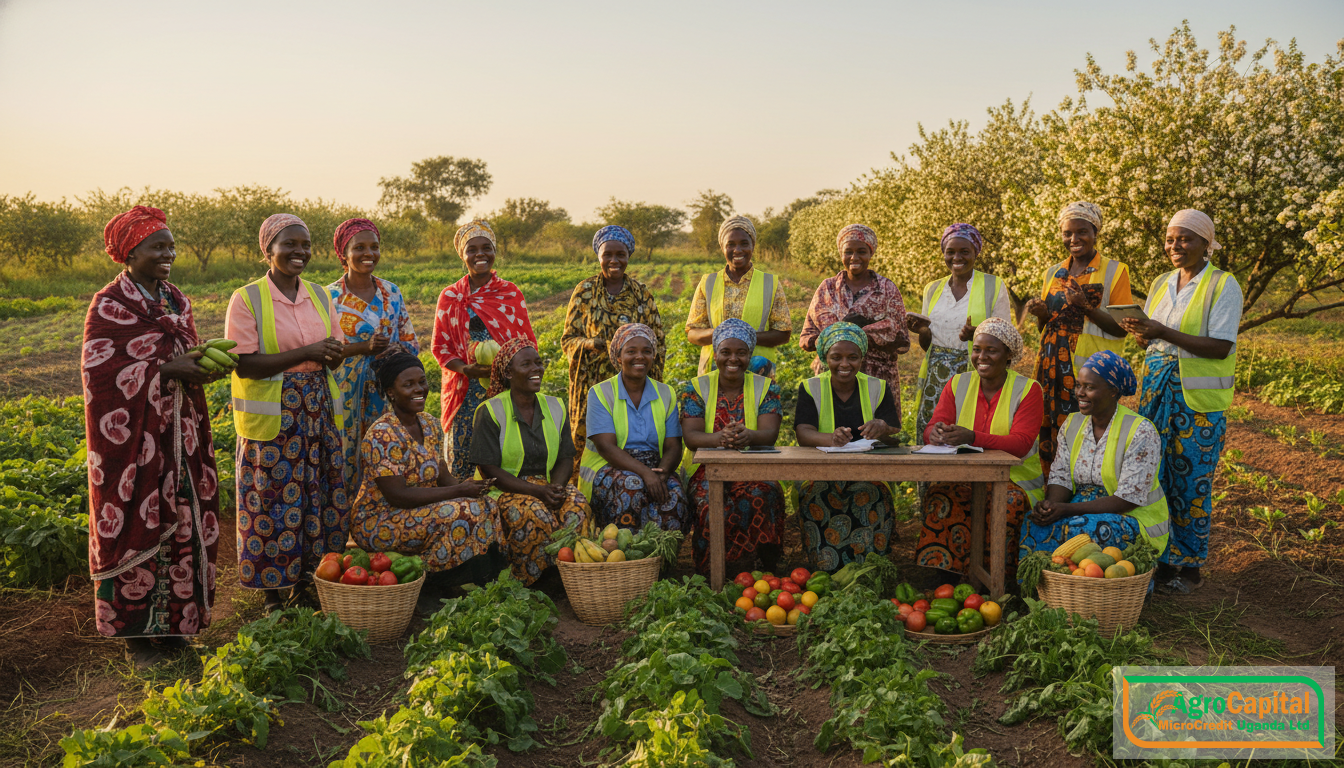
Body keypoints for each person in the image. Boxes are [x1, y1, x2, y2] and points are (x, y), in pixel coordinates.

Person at [84, 206, 223, 667]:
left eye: (171, 246)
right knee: (134, 520)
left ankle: (176, 626)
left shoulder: (176, 301)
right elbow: (101, 376)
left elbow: (184, 355)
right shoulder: (109, 306)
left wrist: (201, 366)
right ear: (130, 252)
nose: (169, 254)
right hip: (132, 443)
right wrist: (164, 370)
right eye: (157, 247)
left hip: (180, 436)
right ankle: (136, 636)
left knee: (183, 513)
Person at [227, 213, 348, 613]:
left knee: (317, 495)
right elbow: (245, 364)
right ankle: (273, 595)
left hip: (316, 410)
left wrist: (332, 354)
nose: (300, 252)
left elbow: (336, 345)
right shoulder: (247, 298)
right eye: (289, 244)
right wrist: (309, 353)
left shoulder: (319, 294)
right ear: (269, 249)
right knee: (272, 500)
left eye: (305, 245)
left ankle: (309, 581)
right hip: (274, 417)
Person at [1120, 209, 1241, 595]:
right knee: (1153, 474)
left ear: (1207, 244)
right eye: (1171, 239)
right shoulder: (1161, 282)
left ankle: (1188, 567)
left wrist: (1161, 330)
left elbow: (1221, 347)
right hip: (1156, 390)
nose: (1176, 246)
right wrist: (1143, 334)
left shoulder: (1224, 285)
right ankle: (1158, 555)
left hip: (1196, 401)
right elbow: (1154, 338)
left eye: (1186, 239)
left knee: (1191, 480)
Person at [349, 352, 502, 612]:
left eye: (421, 381)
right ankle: (425, 584)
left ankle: (463, 577)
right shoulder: (383, 434)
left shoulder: (429, 424)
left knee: (486, 505)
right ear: (391, 392)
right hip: (379, 519)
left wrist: (471, 489)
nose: (419, 389)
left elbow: (443, 477)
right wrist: (458, 492)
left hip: (417, 511)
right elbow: (398, 496)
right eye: (408, 385)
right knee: (461, 512)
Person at [914, 318, 1044, 580]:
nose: (981, 356)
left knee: (1008, 503)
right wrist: (936, 433)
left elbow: (1020, 444)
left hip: (1014, 480)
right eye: (977, 349)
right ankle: (944, 576)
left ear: (1009, 355)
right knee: (942, 494)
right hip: (966, 475)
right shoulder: (957, 383)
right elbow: (930, 428)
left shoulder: (1029, 390)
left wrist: (973, 437)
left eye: (991, 350)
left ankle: (996, 579)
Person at [1019, 352, 1169, 561]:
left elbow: (1127, 499)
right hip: (1077, 506)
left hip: (1131, 515)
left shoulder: (1140, 431)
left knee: (1090, 529)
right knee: (1035, 523)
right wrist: (1051, 507)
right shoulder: (1072, 424)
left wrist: (1066, 510)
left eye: (1089, 387)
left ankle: (1088, 592)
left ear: (1113, 392)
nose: (1080, 393)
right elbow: (1060, 477)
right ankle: (1043, 590)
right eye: (1078, 385)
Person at [1022, 202, 1133, 470]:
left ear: (1095, 233)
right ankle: (1053, 495)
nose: (1074, 239)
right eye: (1067, 233)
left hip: (1090, 374)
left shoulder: (1115, 271)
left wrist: (1086, 307)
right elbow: (1047, 328)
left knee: (1088, 437)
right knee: (1053, 436)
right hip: (1052, 371)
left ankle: (1085, 498)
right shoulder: (1053, 272)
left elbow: (1122, 327)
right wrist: (1041, 314)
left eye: (1082, 232)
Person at [469, 338, 588, 585]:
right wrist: (538, 491)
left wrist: (556, 487)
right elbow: (489, 470)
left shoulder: (555, 406)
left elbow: (566, 456)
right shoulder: (490, 411)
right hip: (501, 488)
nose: (537, 369)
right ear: (509, 373)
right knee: (533, 513)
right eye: (527, 364)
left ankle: (570, 574)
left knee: (577, 506)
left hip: (546, 484)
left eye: (539, 363)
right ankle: (533, 580)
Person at [680, 319, 786, 574]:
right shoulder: (696, 388)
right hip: (706, 469)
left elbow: (769, 433)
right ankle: (715, 571)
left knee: (764, 494)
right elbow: (691, 437)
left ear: (750, 355)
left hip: (752, 467)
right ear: (715, 354)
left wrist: (749, 436)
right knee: (711, 505)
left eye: (741, 353)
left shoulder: (767, 388)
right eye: (726, 352)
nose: (733, 359)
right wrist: (720, 439)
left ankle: (761, 568)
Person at [433, 220, 536, 481]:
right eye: (472, 249)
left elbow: (527, 344)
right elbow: (440, 347)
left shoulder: (509, 293)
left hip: (504, 386)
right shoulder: (450, 296)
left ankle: (504, 504)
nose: (480, 254)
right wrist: (465, 368)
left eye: (486, 247)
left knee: (504, 452)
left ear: (494, 251)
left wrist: (506, 369)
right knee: (464, 451)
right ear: (463, 255)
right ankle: (463, 508)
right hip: (465, 388)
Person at [794, 322, 902, 571]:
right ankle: (826, 569)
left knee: (874, 496)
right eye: (836, 357)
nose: (845, 364)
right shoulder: (810, 387)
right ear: (824, 358)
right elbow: (803, 432)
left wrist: (882, 427)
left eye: (852, 357)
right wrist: (830, 439)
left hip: (868, 473)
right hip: (821, 472)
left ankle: (869, 568)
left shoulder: (878, 387)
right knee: (817, 495)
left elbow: (893, 431)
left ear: (862, 358)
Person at [561, 225, 665, 467]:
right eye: (608, 254)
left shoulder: (641, 295)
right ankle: (585, 494)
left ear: (628, 256)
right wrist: (591, 344)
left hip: (632, 387)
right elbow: (568, 340)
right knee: (590, 447)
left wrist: (652, 382)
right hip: (592, 387)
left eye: (620, 255)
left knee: (631, 441)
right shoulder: (584, 292)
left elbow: (657, 341)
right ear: (599, 256)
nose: (614, 261)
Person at [327, 218, 419, 488]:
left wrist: (393, 351)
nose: (368, 254)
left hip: (386, 392)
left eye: (374, 247)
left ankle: (383, 519)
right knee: (345, 454)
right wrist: (362, 348)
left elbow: (409, 341)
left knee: (387, 453)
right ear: (343, 253)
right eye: (359, 247)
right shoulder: (329, 297)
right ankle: (346, 519)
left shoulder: (391, 292)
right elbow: (323, 349)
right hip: (344, 393)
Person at [578, 323, 688, 532]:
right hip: (610, 464)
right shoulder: (600, 393)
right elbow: (606, 448)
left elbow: (674, 445)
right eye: (631, 351)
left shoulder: (666, 393)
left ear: (653, 356)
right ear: (619, 357)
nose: (640, 357)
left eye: (646, 351)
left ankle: (660, 560)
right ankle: (626, 556)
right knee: (631, 487)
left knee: (674, 496)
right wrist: (647, 474)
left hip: (656, 466)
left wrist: (662, 474)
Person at [909, 223, 1012, 441]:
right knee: (934, 430)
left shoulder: (993, 285)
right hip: (936, 373)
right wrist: (923, 331)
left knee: (965, 428)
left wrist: (976, 335)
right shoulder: (933, 288)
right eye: (950, 252)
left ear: (976, 252)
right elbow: (929, 345)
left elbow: (1005, 336)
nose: (957, 257)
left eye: (964, 251)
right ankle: (930, 476)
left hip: (975, 371)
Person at [800, 224, 910, 426]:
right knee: (831, 433)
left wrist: (857, 333)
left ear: (871, 253)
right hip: (833, 375)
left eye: (862, 251)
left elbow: (902, 340)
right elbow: (806, 338)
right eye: (848, 251)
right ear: (841, 253)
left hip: (877, 376)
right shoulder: (827, 288)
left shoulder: (886, 289)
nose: (854, 257)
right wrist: (836, 336)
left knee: (877, 436)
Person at [686, 216, 792, 375]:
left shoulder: (770, 283)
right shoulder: (708, 283)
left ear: (753, 246)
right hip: (714, 373)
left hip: (758, 371)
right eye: (731, 245)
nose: (737, 250)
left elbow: (783, 333)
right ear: (722, 247)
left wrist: (745, 336)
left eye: (744, 244)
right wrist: (722, 334)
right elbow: (692, 332)